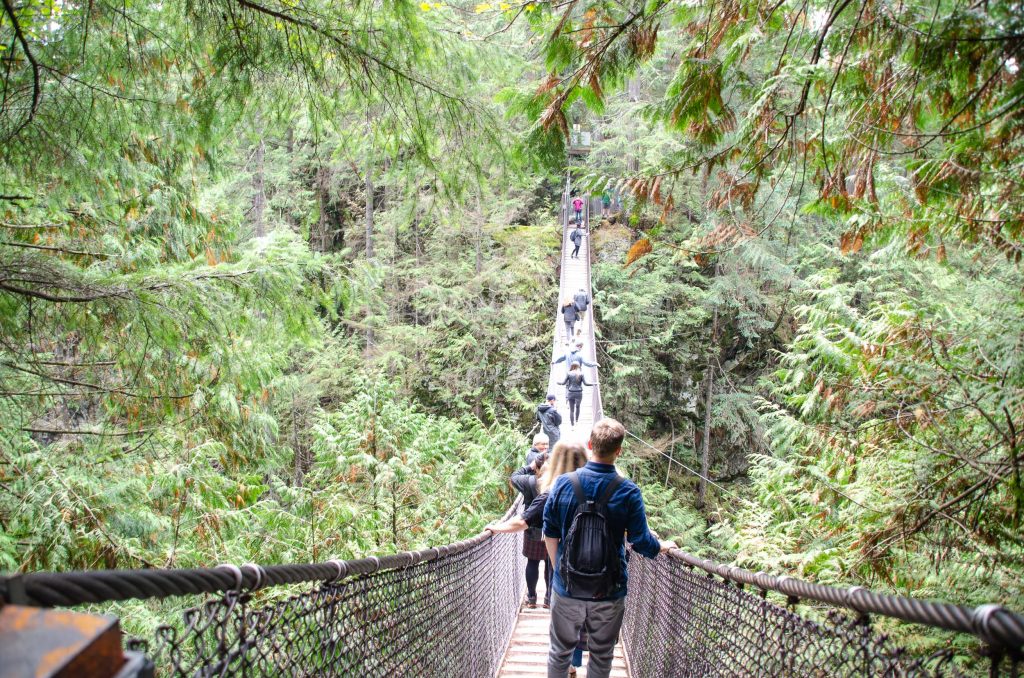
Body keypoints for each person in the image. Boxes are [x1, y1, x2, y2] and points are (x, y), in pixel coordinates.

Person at [542, 418, 677, 678]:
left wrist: (560, 570)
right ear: (619, 451)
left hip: (567, 587)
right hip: (608, 590)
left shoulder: (562, 484)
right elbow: (640, 541)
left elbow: (550, 532)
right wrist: (661, 546)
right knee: (602, 656)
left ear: (590, 445)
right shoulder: (628, 491)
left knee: (559, 653)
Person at [487, 441, 590, 667]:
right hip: (597, 567)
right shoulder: (604, 486)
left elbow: (521, 521)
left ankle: (569, 663)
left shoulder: (554, 492)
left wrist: (496, 527)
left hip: (565, 566)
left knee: (565, 616)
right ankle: (582, 658)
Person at [507, 453, 550, 608]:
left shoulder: (528, 481)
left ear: (536, 467)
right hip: (551, 529)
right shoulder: (557, 481)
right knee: (550, 563)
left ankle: (531, 598)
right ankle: (549, 599)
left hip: (530, 527)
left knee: (532, 562)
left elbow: (513, 477)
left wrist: (529, 467)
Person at [557, 364, 591, 428]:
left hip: (571, 392)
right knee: (578, 407)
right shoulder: (581, 374)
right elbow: (586, 384)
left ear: (572, 366)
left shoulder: (569, 373)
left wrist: (558, 382)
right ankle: (577, 421)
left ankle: (572, 425)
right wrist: (594, 384)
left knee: (571, 410)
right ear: (578, 367)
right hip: (579, 393)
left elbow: (563, 383)